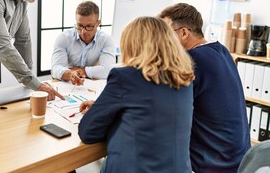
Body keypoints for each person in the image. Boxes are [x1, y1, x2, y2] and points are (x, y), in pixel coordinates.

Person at [78, 16, 195, 172]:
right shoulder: (184, 78)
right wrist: (107, 108)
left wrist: (102, 112)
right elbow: (152, 113)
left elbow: (87, 132)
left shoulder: (126, 76)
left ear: (132, 45)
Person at [159, 3, 251, 172]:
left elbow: (163, 109)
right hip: (238, 159)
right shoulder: (221, 50)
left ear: (184, 33)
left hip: (211, 163)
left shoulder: (191, 59)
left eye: (165, 34)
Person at [51, 0, 115, 85]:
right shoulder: (64, 38)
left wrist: (77, 70)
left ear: (98, 23)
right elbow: (55, 69)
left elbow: (108, 70)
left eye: (89, 26)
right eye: (80, 25)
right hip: (68, 84)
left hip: (92, 85)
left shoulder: (106, 40)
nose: (83, 31)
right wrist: (70, 74)